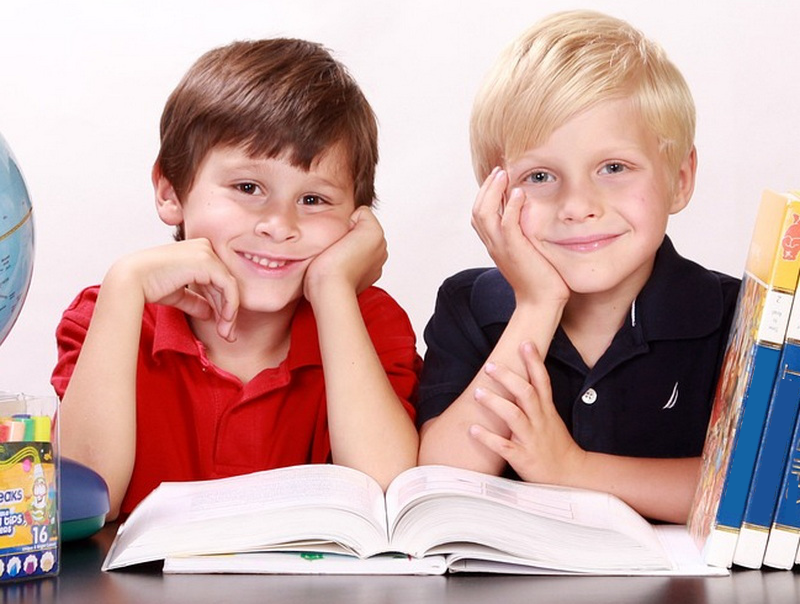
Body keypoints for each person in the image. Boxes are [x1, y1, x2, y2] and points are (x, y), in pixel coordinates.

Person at [51, 38, 421, 520]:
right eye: (248, 188)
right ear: (169, 191)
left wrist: (332, 289)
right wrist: (126, 284)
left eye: (314, 200)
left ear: (357, 219)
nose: (279, 225)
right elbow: (80, 507)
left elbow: (390, 499)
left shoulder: (368, 324)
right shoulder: (109, 315)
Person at [416, 10, 740, 524]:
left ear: (680, 179)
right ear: (495, 195)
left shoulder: (733, 317)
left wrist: (572, 468)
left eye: (613, 168)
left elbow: (751, 493)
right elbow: (439, 479)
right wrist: (537, 304)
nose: (577, 205)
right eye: (540, 175)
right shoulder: (470, 306)